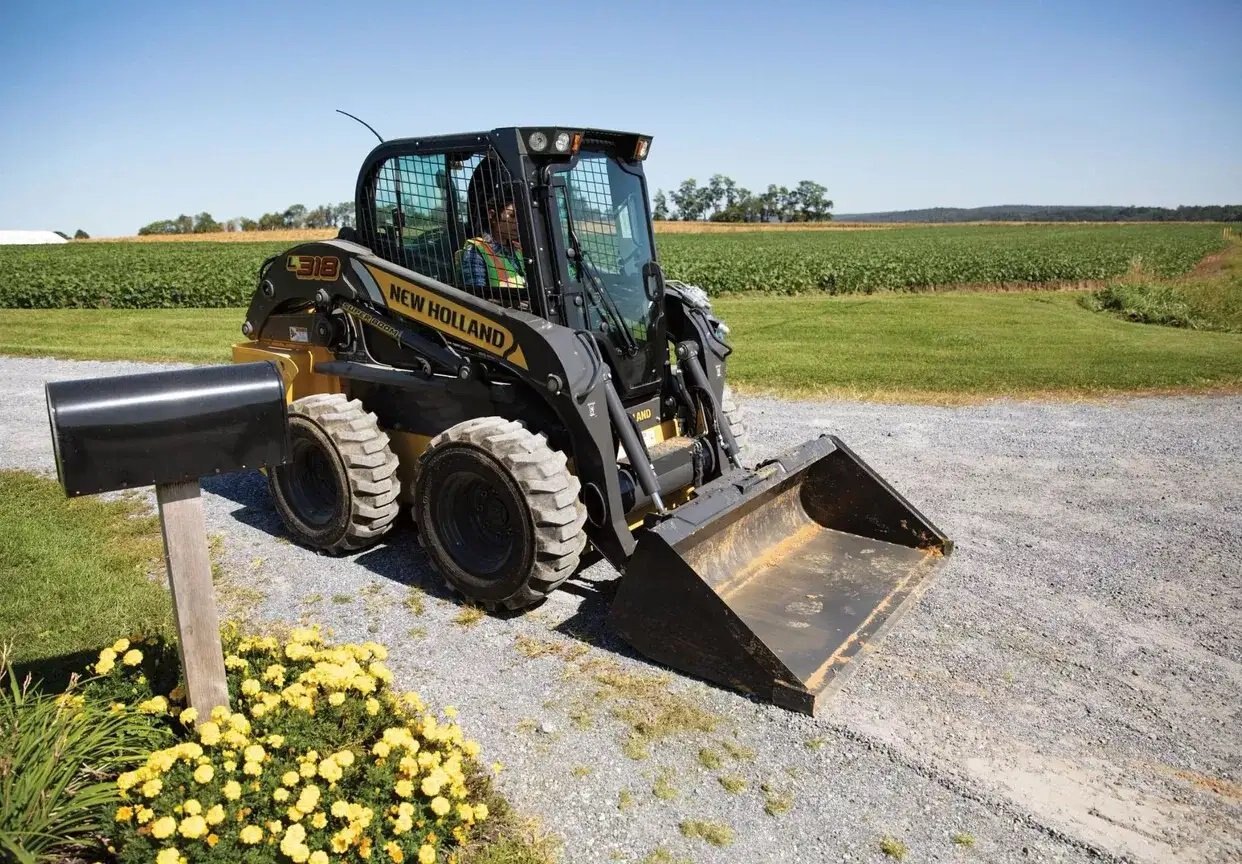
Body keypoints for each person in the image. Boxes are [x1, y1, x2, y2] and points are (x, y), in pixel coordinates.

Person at [458, 183, 526, 302]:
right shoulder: (477, 250)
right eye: (512, 216)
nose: (517, 222)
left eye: (519, 216)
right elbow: (476, 299)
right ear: (492, 215)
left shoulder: (519, 249)